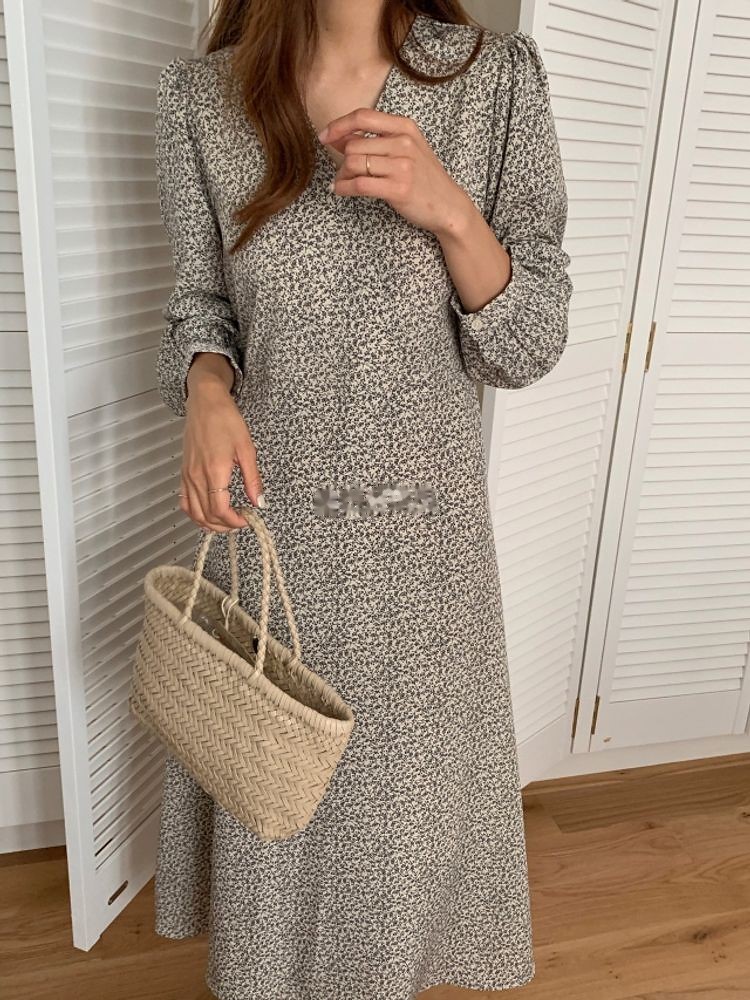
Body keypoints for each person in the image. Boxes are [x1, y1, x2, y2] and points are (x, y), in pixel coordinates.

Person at [152, 1, 573, 998]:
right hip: (273, 527)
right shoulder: (201, 100)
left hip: (421, 547)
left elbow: (531, 341)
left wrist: (451, 210)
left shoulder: (494, 81)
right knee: (274, 802)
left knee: (394, 834)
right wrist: (205, 390)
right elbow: (200, 307)